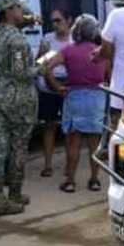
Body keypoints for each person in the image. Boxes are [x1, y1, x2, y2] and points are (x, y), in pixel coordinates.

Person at [0, 0, 40, 217]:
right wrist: (44, 65)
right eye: (18, 8)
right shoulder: (17, 40)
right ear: (8, 12)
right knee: (18, 148)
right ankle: (13, 194)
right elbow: (22, 74)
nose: (22, 11)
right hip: (18, 101)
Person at [41, 15, 108, 193]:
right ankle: (94, 180)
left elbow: (47, 68)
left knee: (73, 142)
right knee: (95, 143)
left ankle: (70, 181)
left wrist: (58, 87)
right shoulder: (101, 51)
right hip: (97, 98)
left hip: (74, 97)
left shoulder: (68, 50)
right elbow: (109, 75)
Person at [35, 8, 72, 179]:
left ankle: (69, 164)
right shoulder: (48, 40)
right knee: (49, 126)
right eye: (53, 21)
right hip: (49, 86)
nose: (56, 25)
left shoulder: (74, 40)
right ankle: (48, 165)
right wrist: (44, 62)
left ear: (69, 20)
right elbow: (39, 62)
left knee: (68, 128)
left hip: (69, 86)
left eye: (59, 20)